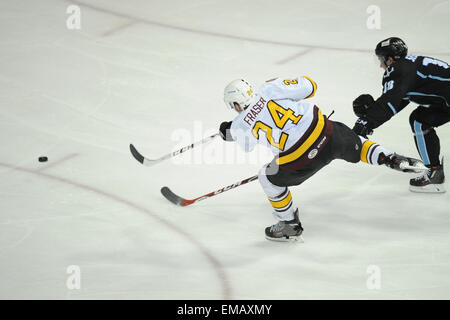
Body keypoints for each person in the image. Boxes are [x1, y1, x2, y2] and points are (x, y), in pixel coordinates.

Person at [219, 77, 423, 242]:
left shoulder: (239, 125)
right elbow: (310, 86)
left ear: (237, 104)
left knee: (266, 176)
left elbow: (246, 144)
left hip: (300, 158)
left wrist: (228, 130)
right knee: (356, 143)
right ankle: (388, 157)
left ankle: (288, 224)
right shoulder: (269, 88)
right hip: (327, 132)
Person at [352, 37, 449, 193]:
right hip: (445, 103)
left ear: (390, 59)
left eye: (381, 59)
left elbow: (390, 102)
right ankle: (435, 172)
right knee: (419, 120)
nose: (380, 64)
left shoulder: (397, 70)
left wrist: (365, 122)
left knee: (419, 121)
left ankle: (435, 173)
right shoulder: (407, 66)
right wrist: (371, 115)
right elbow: (396, 101)